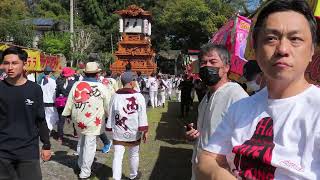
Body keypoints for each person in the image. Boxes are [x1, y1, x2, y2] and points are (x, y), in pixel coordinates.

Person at [197, 1, 320, 179]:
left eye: (295, 39)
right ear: (255, 49)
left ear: (311, 51)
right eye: (271, 38)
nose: (283, 49)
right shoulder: (240, 108)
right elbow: (207, 158)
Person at [185, 43, 248, 180]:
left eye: (213, 61)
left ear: (226, 67)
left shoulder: (236, 96)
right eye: (203, 63)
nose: (207, 66)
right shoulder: (205, 99)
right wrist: (194, 136)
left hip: (221, 172)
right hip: (199, 168)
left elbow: (245, 141)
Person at [0, 46, 51, 180]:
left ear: (24, 64)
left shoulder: (35, 89)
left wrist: (46, 145)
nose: (9, 67)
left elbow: (40, 119)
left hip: (28, 151)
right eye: (6, 63)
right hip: (3, 152)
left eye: (14, 63)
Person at [62, 62, 113, 179]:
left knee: (82, 141)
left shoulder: (76, 84)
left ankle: (80, 164)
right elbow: (108, 105)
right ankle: (85, 172)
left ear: (85, 72)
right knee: (90, 145)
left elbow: (69, 102)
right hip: (93, 120)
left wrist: (67, 115)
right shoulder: (101, 87)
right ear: (97, 74)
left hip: (79, 120)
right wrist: (109, 116)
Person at [106, 71, 148, 180]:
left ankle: (116, 178)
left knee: (117, 156)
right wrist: (144, 130)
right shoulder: (138, 96)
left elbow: (110, 113)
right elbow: (142, 115)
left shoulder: (115, 96)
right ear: (132, 82)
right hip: (134, 131)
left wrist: (109, 127)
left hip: (118, 130)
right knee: (134, 154)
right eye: (134, 80)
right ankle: (133, 175)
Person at [56, 67, 78, 143]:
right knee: (74, 119)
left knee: (61, 121)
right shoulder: (74, 82)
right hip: (71, 103)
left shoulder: (59, 81)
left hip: (61, 103)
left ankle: (60, 137)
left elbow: (57, 94)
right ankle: (76, 132)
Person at [40, 66, 59, 131]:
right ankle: (48, 128)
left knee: (47, 116)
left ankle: (47, 128)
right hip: (51, 102)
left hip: (43, 102)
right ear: (50, 73)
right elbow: (56, 91)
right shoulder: (53, 82)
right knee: (53, 116)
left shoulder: (41, 81)